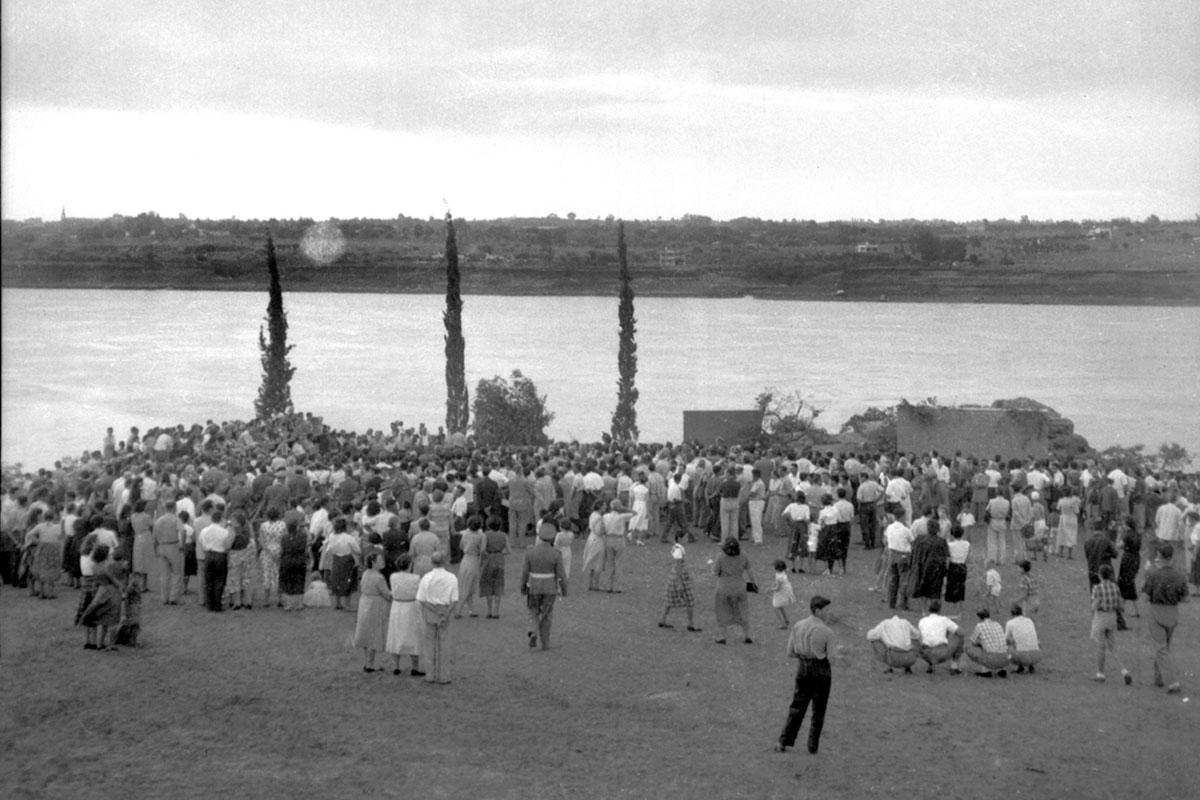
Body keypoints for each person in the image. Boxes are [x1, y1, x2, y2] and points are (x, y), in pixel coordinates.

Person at [775, 595, 834, 755]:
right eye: (826, 610)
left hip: (803, 668)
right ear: (818, 611)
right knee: (819, 710)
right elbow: (832, 657)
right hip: (821, 670)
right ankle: (812, 746)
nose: (829, 613)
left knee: (797, 706)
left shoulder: (798, 626)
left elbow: (790, 652)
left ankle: (783, 741)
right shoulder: (826, 631)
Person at [1141, 543, 1188, 694]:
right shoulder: (1180, 575)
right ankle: (1158, 677)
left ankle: (1172, 682)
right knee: (1164, 647)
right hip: (1172, 612)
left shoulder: (1153, 574)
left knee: (1160, 648)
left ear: (1159, 556)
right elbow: (1186, 599)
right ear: (1172, 557)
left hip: (1156, 611)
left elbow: (1145, 597)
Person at [521, 523, 568, 650]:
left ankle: (533, 631)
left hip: (534, 586)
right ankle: (545, 642)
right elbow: (561, 575)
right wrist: (564, 590)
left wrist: (522, 587)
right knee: (547, 615)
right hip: (550, 587)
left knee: (533, 610)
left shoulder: (530, 552)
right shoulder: (556, 554)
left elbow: (524, 573)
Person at [416, 551, 459, 684]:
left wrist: (436, 611)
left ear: (432, 563)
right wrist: (444, 614)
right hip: (446, 610)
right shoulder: (452, 578)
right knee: (444, 645)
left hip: (430, 611)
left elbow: (421, 599)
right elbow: (454, 600)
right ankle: (444, 676)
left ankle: (430, 675)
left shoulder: (426, 578)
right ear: (444, 562)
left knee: (429, 645)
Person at [353, 549, 392, 672]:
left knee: (365, 631)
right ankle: (370, 663)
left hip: (365, 603)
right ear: (373, 562)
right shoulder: (379, 577)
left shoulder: (365, 574)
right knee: (374, 633)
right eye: (380, 560)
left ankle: (368, 662)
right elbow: (386, 594)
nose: (383, 562)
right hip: (375, 605)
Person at [1091, 564, 1131, 685]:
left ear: (1100, 575)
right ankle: (1124, 670)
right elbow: (1120, 605)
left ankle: (1100, 673)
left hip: (1101, 617)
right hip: (1112, 617)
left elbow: (1094, 606)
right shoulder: (1115, 587)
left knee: (1101, 647)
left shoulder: (1097, 588)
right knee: (1113, 647)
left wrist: (1095, 606)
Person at [386, 553, 424, 676]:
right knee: (414, 636)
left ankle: (396, 666)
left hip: (397, 607)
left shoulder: (393, 577)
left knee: (396, 635)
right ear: (410, 565)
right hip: (411, 607)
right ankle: (415, 667)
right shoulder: (416, 578)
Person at [713, 537, 755, 644]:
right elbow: (750, 570)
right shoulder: (743, 555)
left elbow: (715, 572)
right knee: (743, 610)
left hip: (724, 586)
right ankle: (747, 635)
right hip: (739, 585)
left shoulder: (721, 556)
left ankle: (722, 636)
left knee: (722, 611)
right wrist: (753, 583)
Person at [657, 543, 701, 632]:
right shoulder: (678, 551)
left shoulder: (676, 548)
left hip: (674, 577)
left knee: (669, 600)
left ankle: (662, 620)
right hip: (679, 578)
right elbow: (678, 567)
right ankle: (690, 624)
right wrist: (680, 583)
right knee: (689, 600)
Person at [917, 599, 964, 675]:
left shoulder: (922, 621)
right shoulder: (944, 619)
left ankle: (930, 665)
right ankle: (954, 666)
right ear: (939, 610)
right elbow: (961, 632)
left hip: (926, 653)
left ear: (929, 609)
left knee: (926, 639)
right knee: (960, 636)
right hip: (941, 653)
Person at [198, 509, 232, 612]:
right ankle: (217, 604)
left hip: (208, 554)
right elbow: (227, 545)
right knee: (219, 580)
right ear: (220, 519)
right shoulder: (224, 532)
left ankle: (210, 605)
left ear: (211, 519)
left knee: (209, 580)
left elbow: (201, 541)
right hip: (220, 555)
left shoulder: (204, 530)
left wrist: (206, 548)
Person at [152, 501, 184, 605]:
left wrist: (155, 549)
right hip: (173, 545)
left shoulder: (158, 521)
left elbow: (154, 538)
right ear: (174, 507)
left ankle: (164, 598)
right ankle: (173, 597)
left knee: (164, 575)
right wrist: (182, 544)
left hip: (161, 546)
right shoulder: (176, 519)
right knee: (177, 572)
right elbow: (183, 531)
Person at [479, 516, 511, 618]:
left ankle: (489, 610)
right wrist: (500, 552)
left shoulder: (486, 535)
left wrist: (485, 555)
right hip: (499, 560)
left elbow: (482, 549)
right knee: (498, 584)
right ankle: (496, 611)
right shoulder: (504, 535)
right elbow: (509, 550)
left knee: (488, 584)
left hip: (489, 559)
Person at [601, 500, 634, 593]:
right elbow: (635, 513)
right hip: (619, 539)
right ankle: (617, 586)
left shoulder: (605, 516)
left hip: (608, 539)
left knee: (610, 562)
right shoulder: (622, 517)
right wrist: (624, 508)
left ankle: (609, 586)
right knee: (619, 562)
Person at [965, 608, 1010, 677]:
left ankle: (986, 671)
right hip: (1005, 658)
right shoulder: (997, 624)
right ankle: (1001, 669)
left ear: (979, 617)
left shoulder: (979, 626)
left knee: (968, 648)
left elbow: (973, 642)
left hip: (991, 658)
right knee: (994, 647)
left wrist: (980, 644)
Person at [883, 512, 914, 610]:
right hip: (903, 555)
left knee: (893, 579)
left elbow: (885, 540)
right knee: (904, 579)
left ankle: (891, 602)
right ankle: (903, 603)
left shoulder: (889, 528)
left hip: (892, 554)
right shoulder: (906, 530)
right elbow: (912, 541)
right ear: (902, 517)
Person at [454, 516, 484, 618]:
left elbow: (461, 546)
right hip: (474, 560)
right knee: (468, 586)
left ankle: (472, 610)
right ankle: (458, 610)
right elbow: (482, 550)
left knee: (466, 584)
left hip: (465, 559)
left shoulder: (465, 534)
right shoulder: (480, 536)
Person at [278, 518, 308, 611]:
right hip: (300, 560)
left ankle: (289, 604)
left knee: (287, 582)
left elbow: (282, 550)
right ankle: (299, 604)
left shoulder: (284, 537)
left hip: (287, 560)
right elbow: (305, 548)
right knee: (300, 581)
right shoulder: (303, 536)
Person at [1005, 603, 1042, 674]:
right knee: (1031, 641)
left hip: (1022, 656)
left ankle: (1020, 667)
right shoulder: (1029, 620)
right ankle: (1031, 666)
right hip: (1037, 655)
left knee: (1008, 647)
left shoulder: (1010, 623)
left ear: (1012, 614)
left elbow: (1006, 640)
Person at [944, 524, 970, 616]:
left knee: (952, 586)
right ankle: (959, 609)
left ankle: (956, 609)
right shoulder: (967, 544)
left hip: (953, 566)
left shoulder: (950, 545)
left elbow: (947, 556)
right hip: (962, 565)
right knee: (961, 586)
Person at [782, 491, 810, 573]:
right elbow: (807, 519)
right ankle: (800, 566)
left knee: (793, 544)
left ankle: (794, 566)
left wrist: (790, 519)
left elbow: (784, 514)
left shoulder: (791, 506)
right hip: (802, 526)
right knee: (802, 544)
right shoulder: (806, 507)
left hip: (794, 525)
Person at [769, 559, 796, 629]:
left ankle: (783, 624)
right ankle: (786, 619)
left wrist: (771, 589)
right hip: (785, 590)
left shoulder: (779, 577)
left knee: (776, 607)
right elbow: (777, 583)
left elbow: (778, 588)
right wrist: (773, 585)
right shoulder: (781, 573)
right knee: (780, 606)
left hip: (781, 592)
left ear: (776, 568)